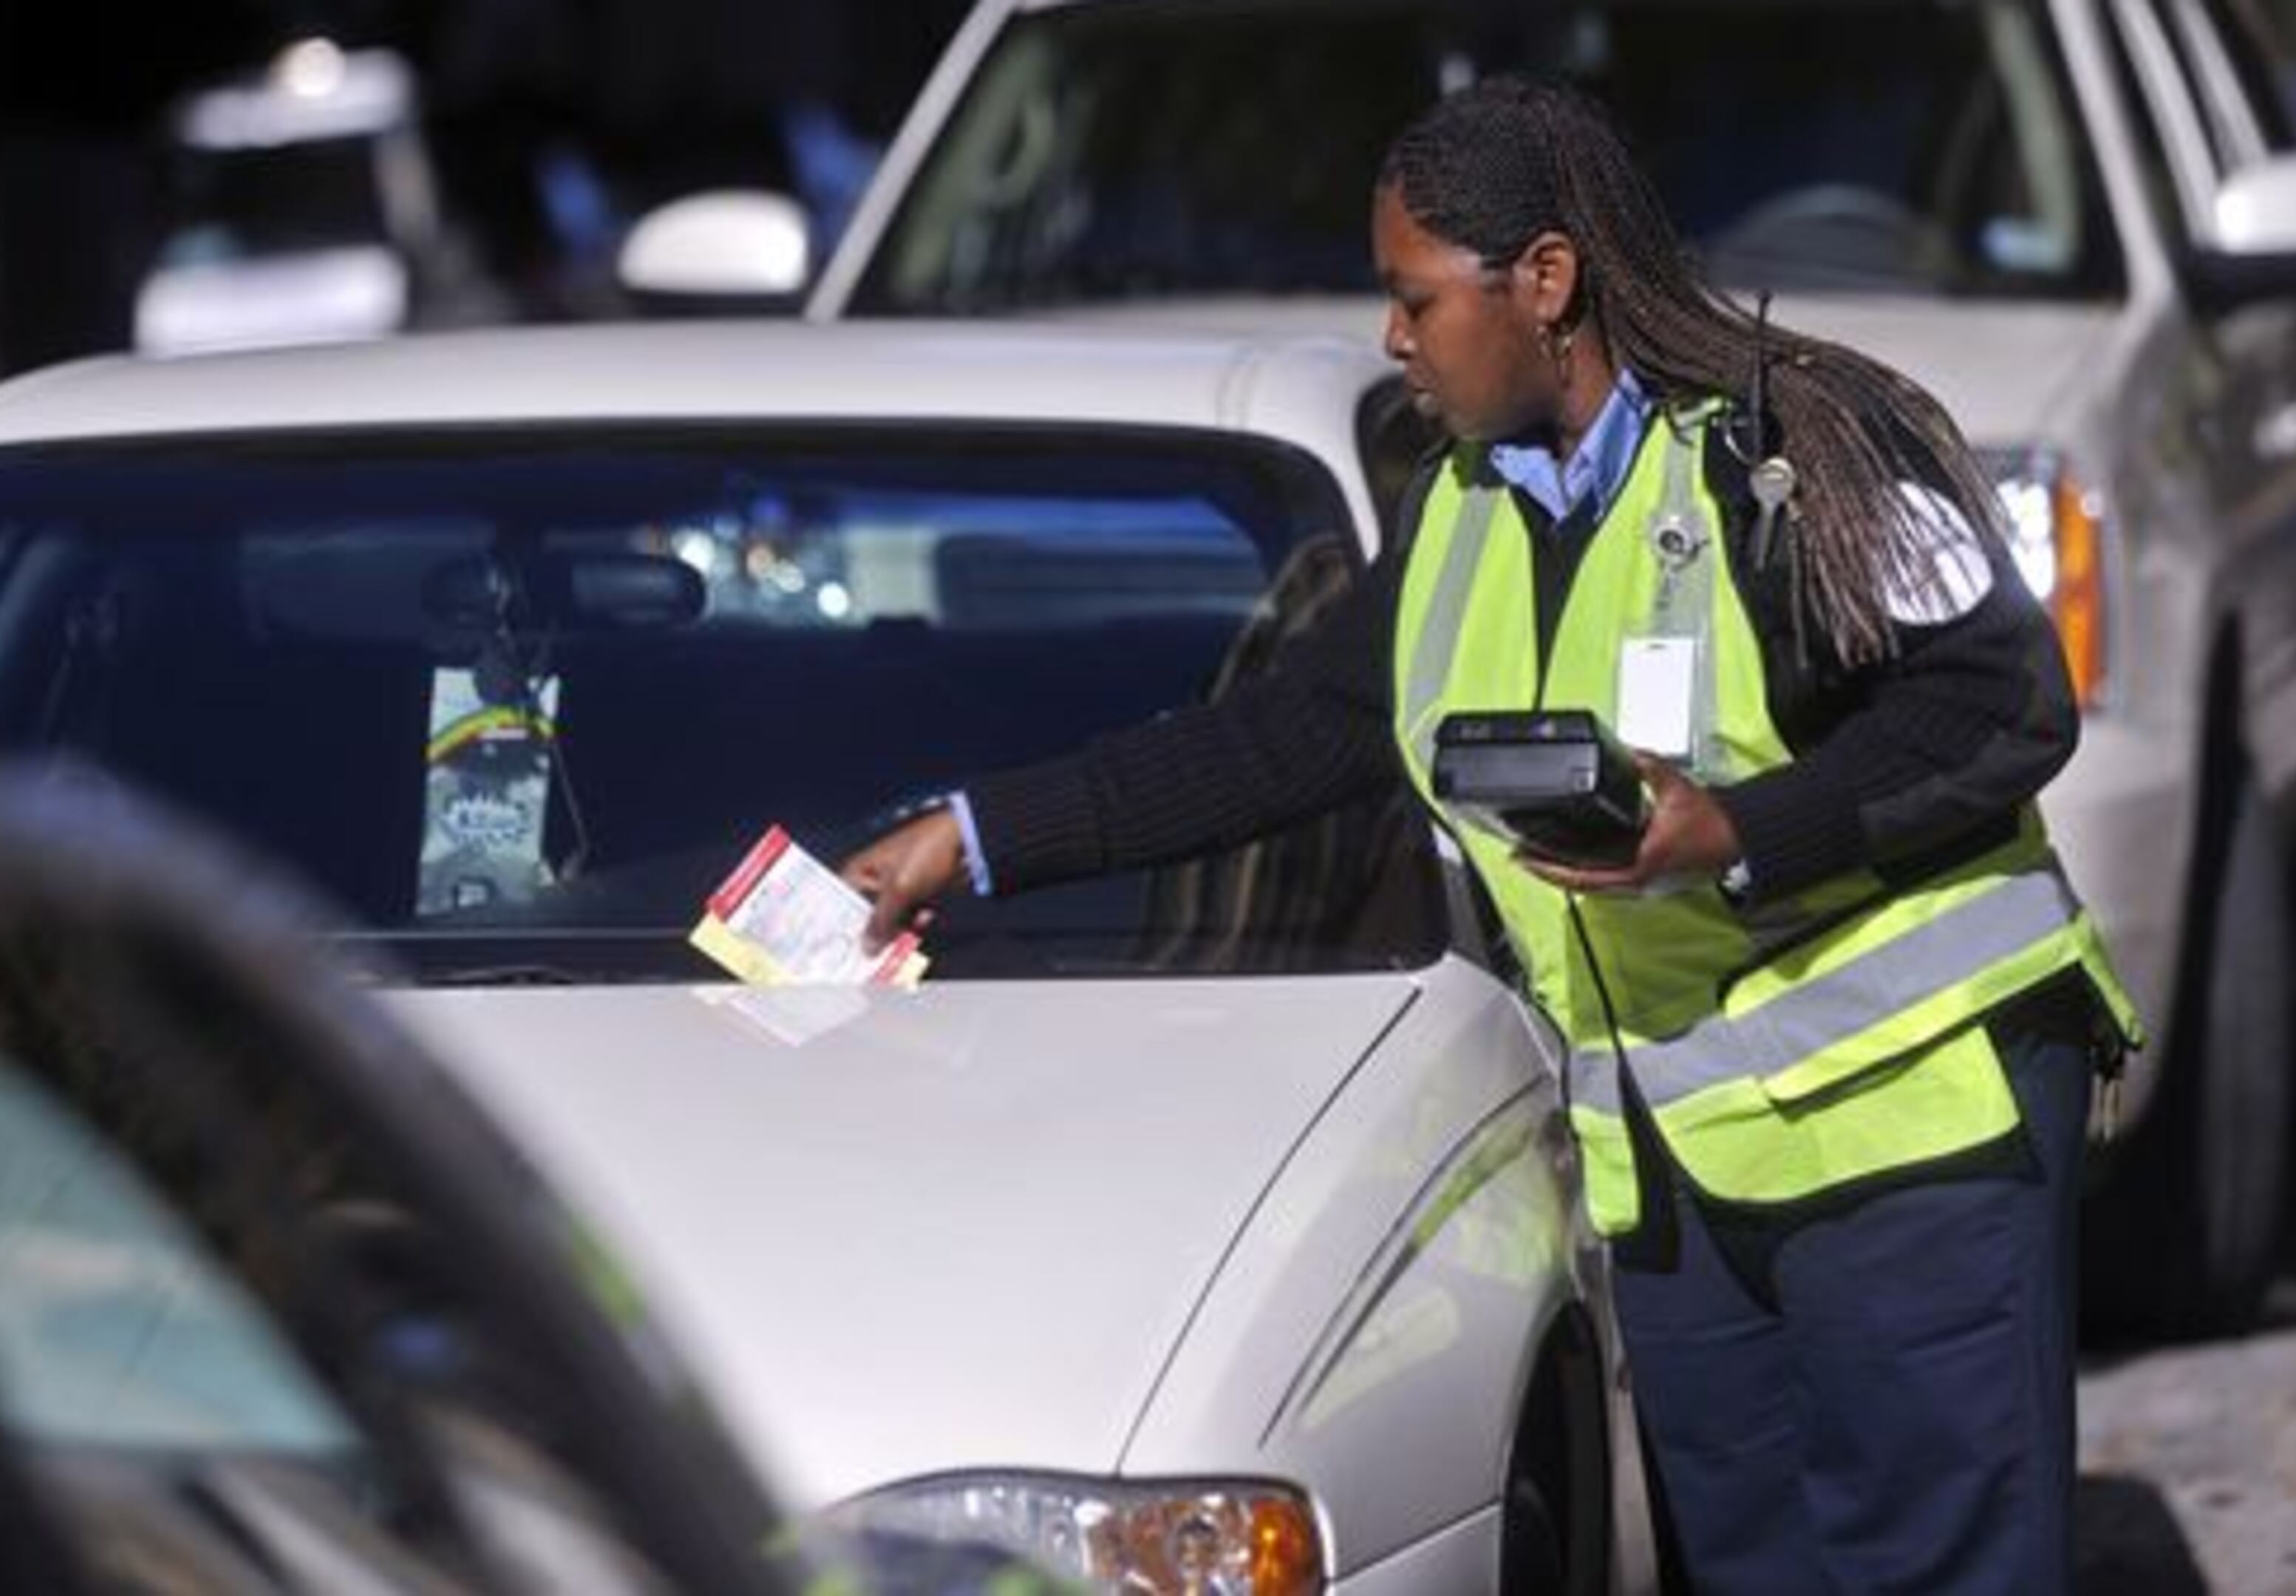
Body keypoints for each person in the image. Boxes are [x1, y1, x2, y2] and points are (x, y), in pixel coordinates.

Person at [843, 77, 2141, 1594]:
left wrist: (1731, 827)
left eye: (1413, 300)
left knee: (1946, 1571)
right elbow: (1276, 737)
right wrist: (972, 838)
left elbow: (2002, 707)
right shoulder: (1459, 511)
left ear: (1545, 281)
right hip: (1684, 1170)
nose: (1393, 341)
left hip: (1918, 1133)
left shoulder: (1804, 445)